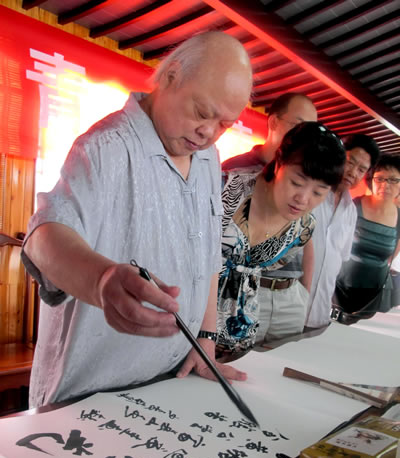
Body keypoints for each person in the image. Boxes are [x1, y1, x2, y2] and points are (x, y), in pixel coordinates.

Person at [21, 32, 253, 407]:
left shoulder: (209, 158)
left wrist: (206, 338)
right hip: (93, 394)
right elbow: (45, 234)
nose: (208, 132)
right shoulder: (105, 146)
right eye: (202, 112)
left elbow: (209, 251)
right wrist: (102, 281)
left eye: (224, 123)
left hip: (172, 381)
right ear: (171, 76)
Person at [216, 122, 346, 354]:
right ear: (278, 164)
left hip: (238, 328)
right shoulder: (226, 188)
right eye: (296, 182)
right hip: (189, 319)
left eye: (318, 192)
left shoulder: (303, 227)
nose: (303, 199)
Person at [221, 93, 318, 343]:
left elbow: (306, 239)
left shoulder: (309, 177)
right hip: (240, 295)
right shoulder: (232, 172)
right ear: (274, 122)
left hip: (290, 296)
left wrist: (304, 291)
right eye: (298, 126)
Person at [305, 134, 380, 330]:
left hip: (320, 311)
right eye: (350, 162)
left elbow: (339, 259)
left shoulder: (351, 211)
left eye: (361, 169)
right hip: (287, 305)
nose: (353, 172)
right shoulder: (308, 193)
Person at [332, 154, 400, 324]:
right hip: (338, 288)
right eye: (380, 179)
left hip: (373, 294)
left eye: (393, 180)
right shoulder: (352, 206)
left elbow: (391, 257)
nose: (386, 185)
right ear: (371, 180)